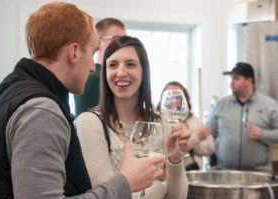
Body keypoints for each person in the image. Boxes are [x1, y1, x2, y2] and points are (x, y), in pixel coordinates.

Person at [0, 2, 165, 198]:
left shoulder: (10, 90)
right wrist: (125, 182)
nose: (93, 68)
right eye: (92, 54)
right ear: (74, 52)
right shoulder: (41, 111)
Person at [76, 36, 190, 199]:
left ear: (144, 72)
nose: (121, 73)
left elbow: (178, 197)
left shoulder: (159, 122)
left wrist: (175, 158)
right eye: (113, 65)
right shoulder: (90, 122)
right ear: (105, 73)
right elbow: (106, 195)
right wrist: (159, 187)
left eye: (130, 64)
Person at [208, 62, 278, 173]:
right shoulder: (219, 105)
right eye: (231, 79)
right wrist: (212, 163)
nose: (231, 83)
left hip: (259, 173)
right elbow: (210, 136)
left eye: (236, 79)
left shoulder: (270, 105)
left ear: (249, 81)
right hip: (225, 172)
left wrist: (263, 134)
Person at [74, 18, 126, 118]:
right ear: (98, 42)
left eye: (125, 40)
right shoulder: (95, 78)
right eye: (115, 39)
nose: (122, 44)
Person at [157, 81, 215, 170]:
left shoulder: (194, 119)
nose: (173, 100)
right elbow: (168, 148)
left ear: (184, 99)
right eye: (169, 97)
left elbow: (211, 147)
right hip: (172, 172)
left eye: (177, 97)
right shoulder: (159, 120)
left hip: (195, 173)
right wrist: (196, 136)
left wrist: (188, 143)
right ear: (163, 99)